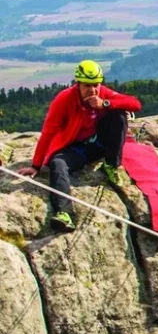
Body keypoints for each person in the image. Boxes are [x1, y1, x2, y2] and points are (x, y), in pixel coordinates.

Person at [16, 60, 142, 232]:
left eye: (95, 85)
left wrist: (105, 103)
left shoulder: (102, 93)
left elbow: (135, 103)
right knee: (58, 164)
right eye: (87, 86)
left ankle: (111, 165)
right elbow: (48, 133)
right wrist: (36, 165)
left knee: (119, 115)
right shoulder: (64, 99)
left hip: (97, 144)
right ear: (78, 84)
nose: (92, 90)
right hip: (74, 149)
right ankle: (65, 213)